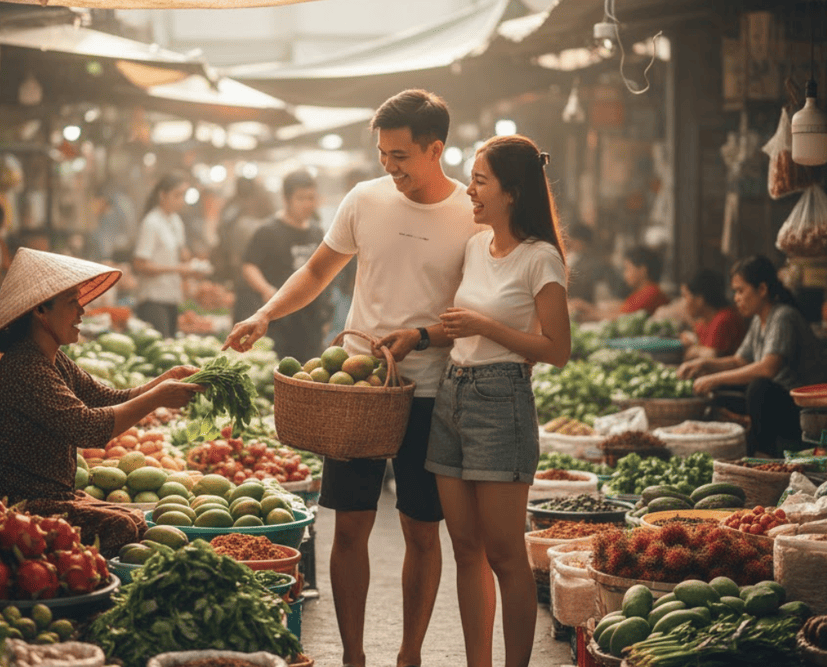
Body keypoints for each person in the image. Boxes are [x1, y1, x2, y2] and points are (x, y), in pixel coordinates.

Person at [223, 89, 479, 667]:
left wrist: (427, 338)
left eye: (401, 156)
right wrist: (265, 314)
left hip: (430, 390)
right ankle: (354, 656)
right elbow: (317, 270)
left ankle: (410, 653)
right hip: (355, 393)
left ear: (436, 149)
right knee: (351, 527)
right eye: (383, 154)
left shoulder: (471, 213)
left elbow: (477, 307)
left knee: (421, 529)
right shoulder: (364, 200)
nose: (388, 167)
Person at [0, 248, 203, 557]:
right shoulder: (26, 367)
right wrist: (159, 397)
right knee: (123, 528)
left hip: (46, 497)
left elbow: (107, 399)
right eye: (72, 302)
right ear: (40, 311)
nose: (82, 312)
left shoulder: (53, 359)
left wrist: (164, 380)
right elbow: (88, 428)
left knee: (136, 520)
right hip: (6, 507)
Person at [429, 135, 570, 667]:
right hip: (452, 395)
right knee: (465, 549)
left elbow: (557, 350)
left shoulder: (541, 258)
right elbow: (460, 330)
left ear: (512, 192)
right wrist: (419, 337)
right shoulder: (474, 247)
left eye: (481, 181)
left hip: (501, 401)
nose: (470, 190)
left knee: (505, 554)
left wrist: (487, 326)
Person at [677, 255, 827, 457]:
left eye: (740, 291)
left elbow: (768, 368)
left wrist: (713, 378)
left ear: (762, 289)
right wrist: (704, 365)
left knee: (759, 388)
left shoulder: (783, 316)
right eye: (734, 292)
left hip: (807, 413)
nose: (736, 298)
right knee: (723, 391)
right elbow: (739, 360)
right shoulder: (760, 320)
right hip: (780, 403)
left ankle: (762, 455)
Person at [236, 169, 331, 363]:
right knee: (279, 369)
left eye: (311, 198)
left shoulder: (317, 231)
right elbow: (249, 265)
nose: (307, 204)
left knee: (309, 370)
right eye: (301, 198)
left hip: (311, 319)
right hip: (279, 319)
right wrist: (265, 289)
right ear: (286, 199)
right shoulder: (268, 231)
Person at [132, 172, 202, 338]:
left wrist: (188, 262)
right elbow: (140, 264)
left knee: (170, 346)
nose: (182, 200)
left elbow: (179, 254)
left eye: (184, 195)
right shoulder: (151, 223)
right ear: (162, 195)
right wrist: (178, 268)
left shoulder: (176, 221)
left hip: (172, 297)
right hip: (153, 299)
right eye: (177, 195)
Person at [679, 268, 746, 360]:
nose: (684, 303)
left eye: (685, 296)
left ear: (700, 299)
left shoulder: (724, 318)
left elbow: (711, 355)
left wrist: (695, 350)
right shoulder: (703, 321)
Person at [565, 222, 625, 304]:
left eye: (573, 240)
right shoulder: (572, 257)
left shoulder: (594, 263)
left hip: (585, 304)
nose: (570, 243)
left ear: (581, 242)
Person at [619, 245, 669, 315]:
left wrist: (598, 313)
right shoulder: (641, 292)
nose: (624, 275)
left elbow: (623, 315)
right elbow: (623, 308)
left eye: (627, 269)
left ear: (642, 270)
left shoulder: (651, 293)